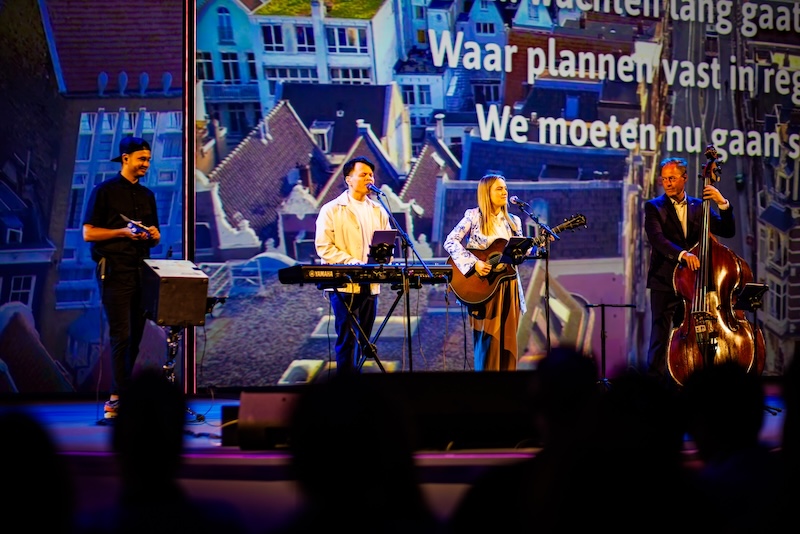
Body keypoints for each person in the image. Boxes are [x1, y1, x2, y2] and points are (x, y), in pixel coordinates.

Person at [83, 136, 161, 419]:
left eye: (149, 160)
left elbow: (155, 238)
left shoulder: (148, 196)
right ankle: (116, 400)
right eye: (142, 159)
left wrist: (154, 234)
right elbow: (88, 233)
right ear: (125, 158)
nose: (146, 165)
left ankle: (125, 395)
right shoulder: (104, 191)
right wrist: (121, 233)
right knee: (122, 336)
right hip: (114, 271)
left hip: (141, 272)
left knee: (136, 337)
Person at [644, 156, 734, 385]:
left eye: (672, 178)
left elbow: (727, 230)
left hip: (692, 284)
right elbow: (657, 239)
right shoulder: (654, 207)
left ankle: (691, 380)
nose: (667, 183)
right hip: (664, 281)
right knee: (660, 336)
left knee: (692, 334)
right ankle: (654, 387)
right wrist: (683, 255)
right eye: (664, 179)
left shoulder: (698, 207)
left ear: (684, 178)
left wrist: (722, 203)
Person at [443, 174, 533, 371]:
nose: (504, 192)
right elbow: (450, 241)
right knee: (488, 343)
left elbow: (519, 252)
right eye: (499, 189)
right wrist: (474, 264)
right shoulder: (473, 216)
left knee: (508, 343)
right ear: (487, 192)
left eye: (505, 188)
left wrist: (533, 245)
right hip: (483, 289)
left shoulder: (514, 221)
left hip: (508, 286)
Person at [314, 156, 392, 374]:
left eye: (371, 174)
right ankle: (345, 392)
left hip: (371, 284)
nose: (369, 178)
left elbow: (385, 246)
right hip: (344, 285)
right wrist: (354, 263)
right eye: (363, 174)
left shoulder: (378, 210)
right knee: (347, 339)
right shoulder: (331, 210)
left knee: (364, 340)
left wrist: (385, 260)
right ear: (349, 179)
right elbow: (324, 248)